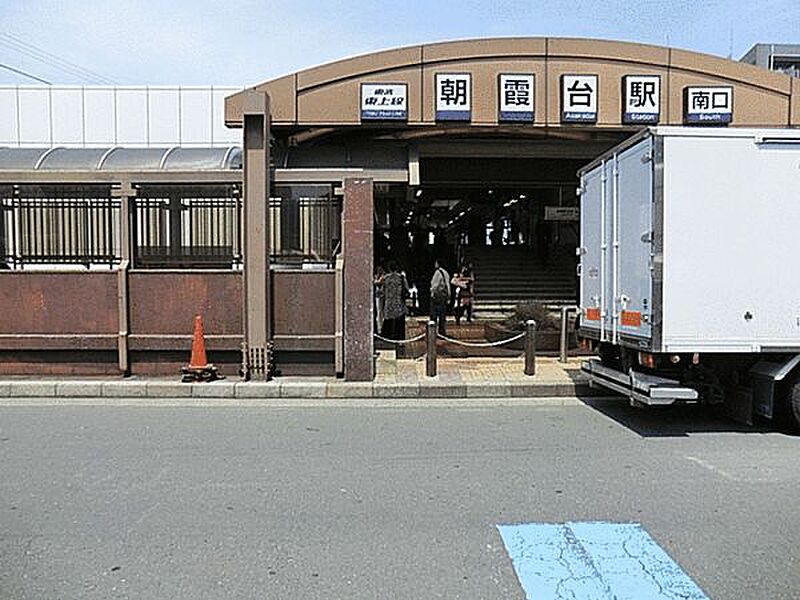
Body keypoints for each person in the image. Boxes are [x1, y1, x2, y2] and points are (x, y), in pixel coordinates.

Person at [380, 261, 409, 341]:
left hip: (389, 304)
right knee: (399, 324)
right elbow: (406, 289)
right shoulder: (401, 278)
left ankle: (388, 338)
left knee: (388, 323)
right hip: (399, 304)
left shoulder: (386, 278)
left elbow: (382, 291)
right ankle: (399, 338)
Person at [430, 259, 450, 336]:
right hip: (444, 296)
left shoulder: (437, 273)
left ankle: (433, 331)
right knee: (442, 315)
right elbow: (448, 285)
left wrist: (432, 293)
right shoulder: (446, 273)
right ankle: (442, 331)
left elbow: (435, 285)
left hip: (437, 296)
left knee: (434, 315)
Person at [374, 265, 385, 334]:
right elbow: (376, 282)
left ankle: (382, 328)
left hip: (383, 296)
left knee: (382, 313)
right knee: (379, 312)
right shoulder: (376, 276)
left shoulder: (384, 276)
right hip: (377, 296)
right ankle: (379, 328)